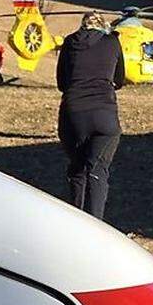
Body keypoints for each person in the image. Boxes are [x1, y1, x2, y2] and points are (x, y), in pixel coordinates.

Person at [55, 12, 125, 219]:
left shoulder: (70, 42)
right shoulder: (112, 42)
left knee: (77, 169)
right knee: (97, 170)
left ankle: (77, 222)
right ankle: (96, 224)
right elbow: (119, 79)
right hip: (104, 116)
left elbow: (61, 83)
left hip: (73, 113)